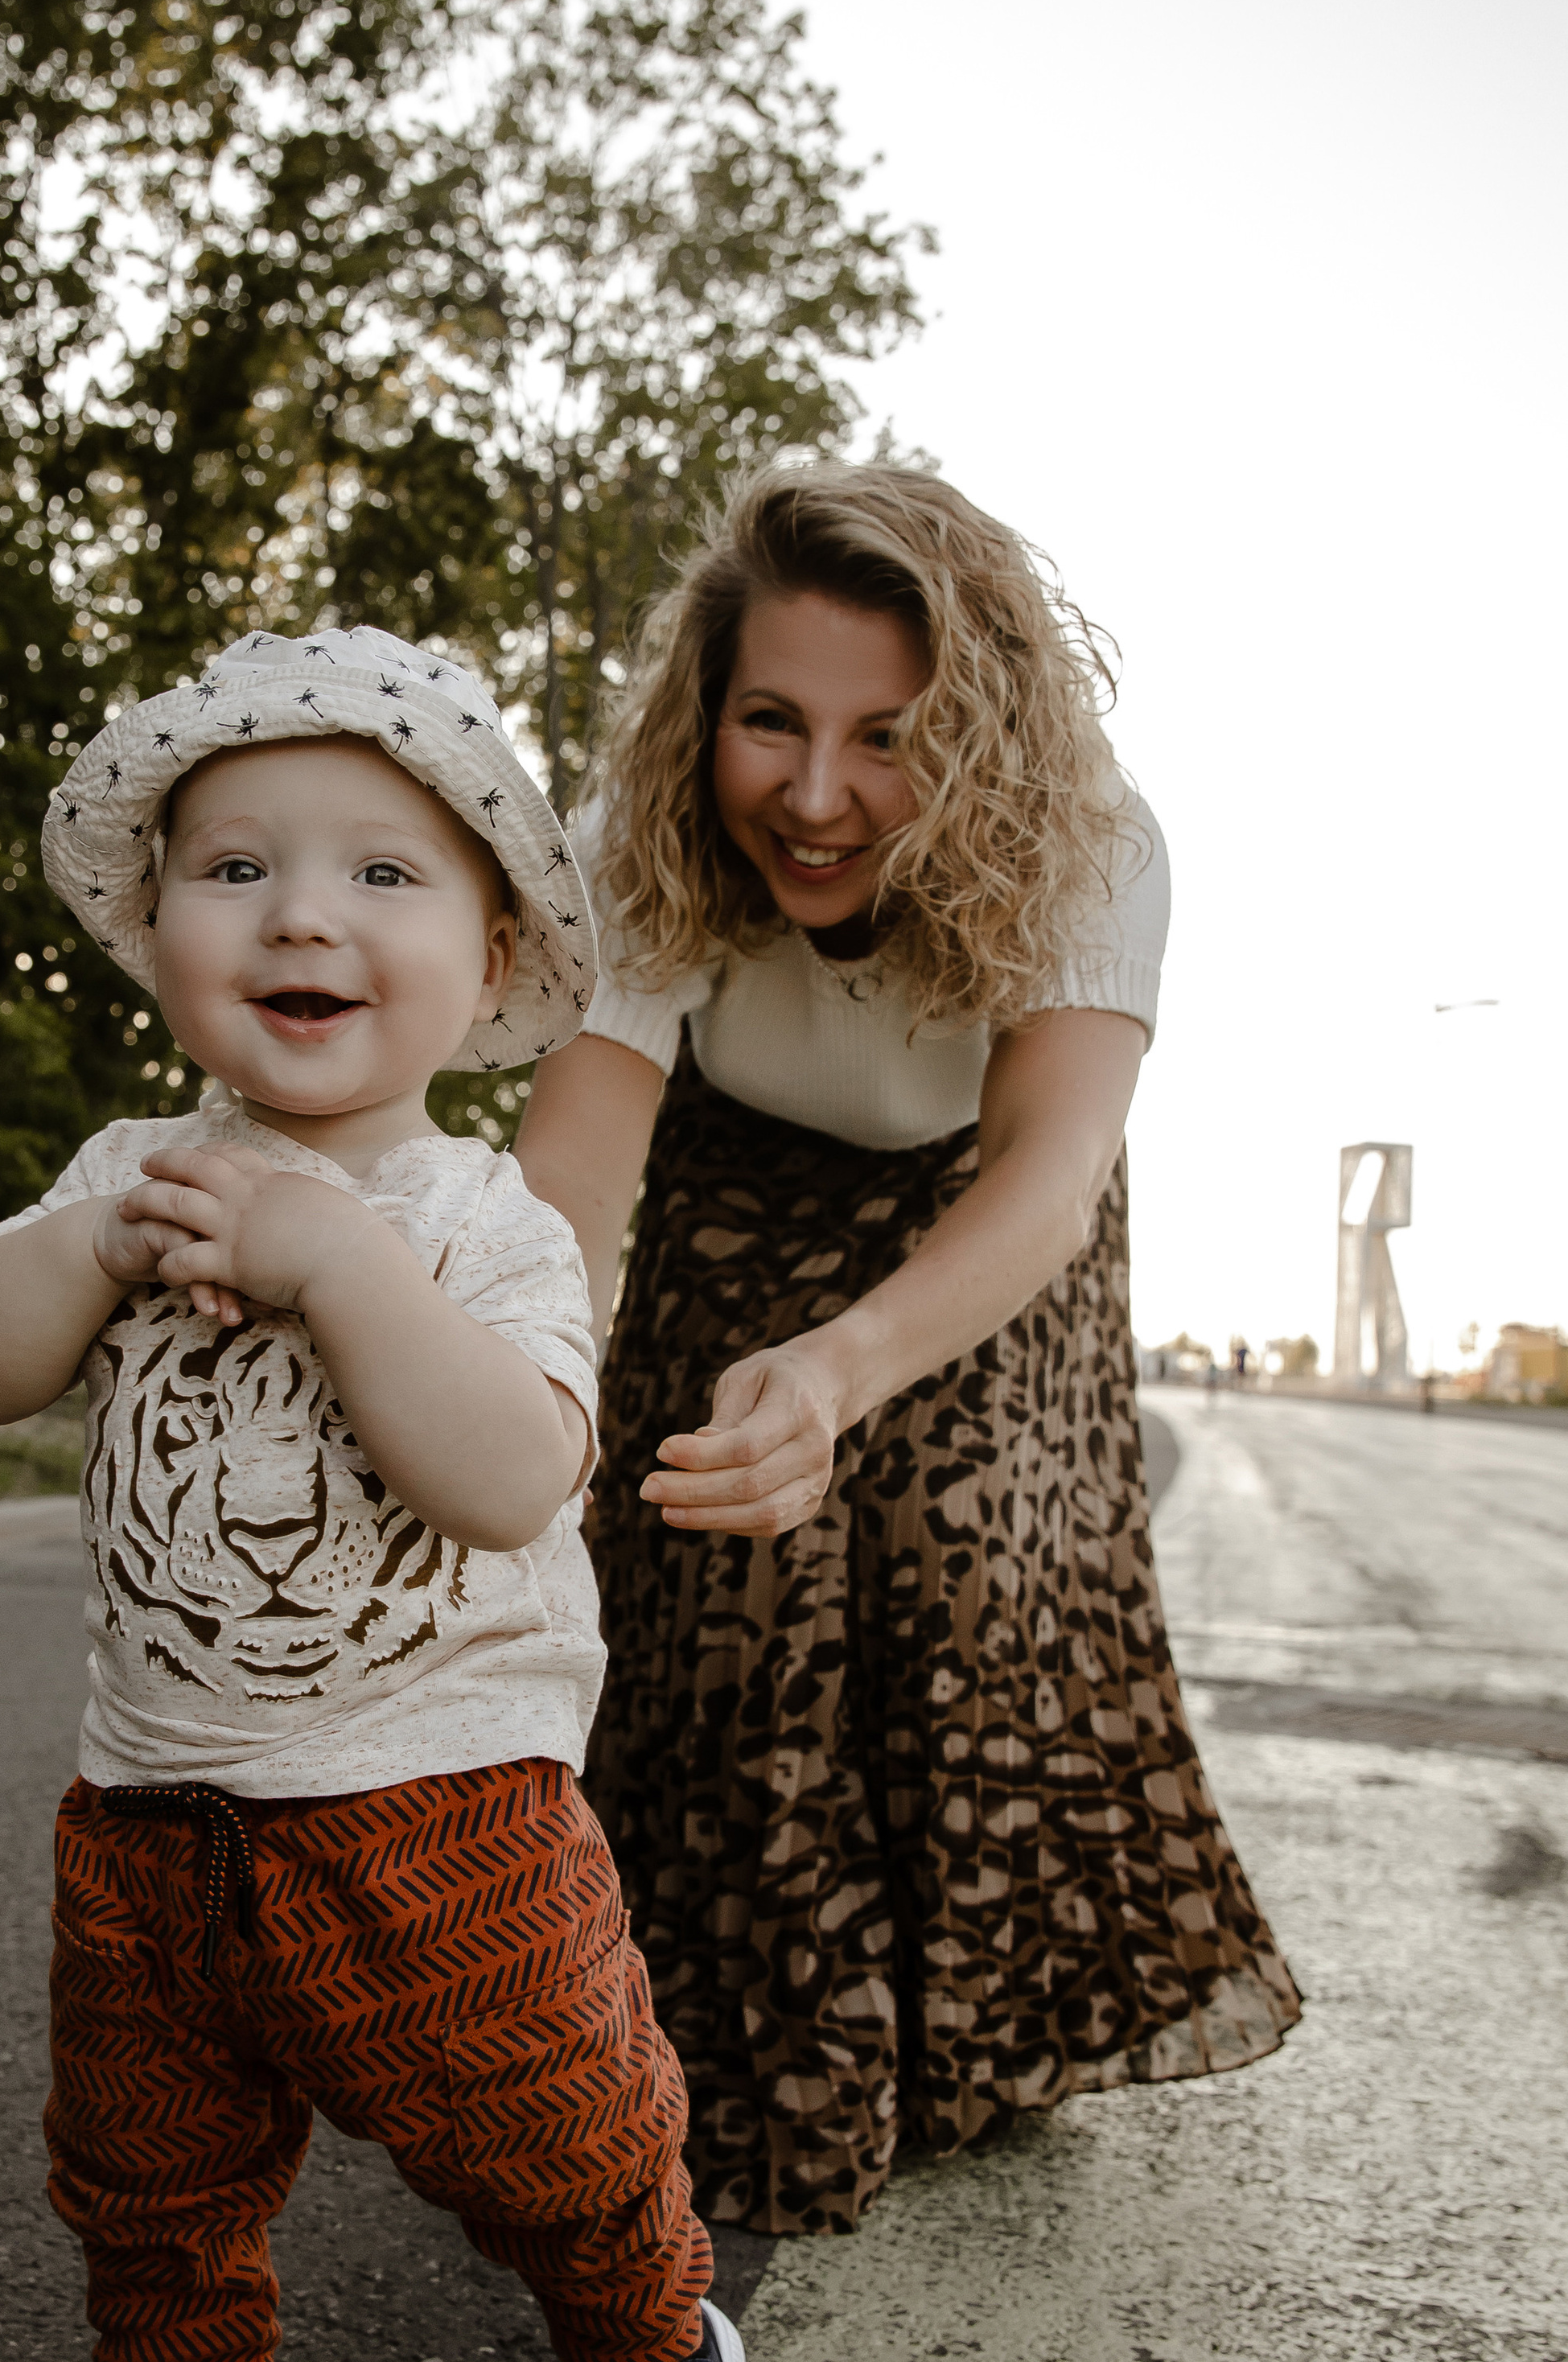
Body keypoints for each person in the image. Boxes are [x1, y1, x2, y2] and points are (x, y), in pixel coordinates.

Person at [0, 625, 752, 2362]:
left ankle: (649, 2353)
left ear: (484, 968)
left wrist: (335, 1262)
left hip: (439, 1815)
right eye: (237, 867)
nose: (302, 912)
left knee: (550, 2126)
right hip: (153, 1811)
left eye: (385, 874)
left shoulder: (484, 1225)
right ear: (160, 935)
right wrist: (77, 1242)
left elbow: (512, 1476)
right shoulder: (132, 1172)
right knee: (145, 2168)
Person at [516, 462, 1301, 2236]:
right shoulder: (629, 827)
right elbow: (566, 1180)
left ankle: (963, 2029)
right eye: (768, 723)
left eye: (886, 738)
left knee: (958, 1549)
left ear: (980, 744)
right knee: (710, 1549)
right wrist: (524, 1408)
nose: (811, 796)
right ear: (702, 715)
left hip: (988, 1187)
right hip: (740, 1157)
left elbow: (1045, 1172)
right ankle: (702, 2036)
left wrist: (845, 1368)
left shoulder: (1095, 838)